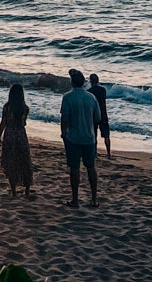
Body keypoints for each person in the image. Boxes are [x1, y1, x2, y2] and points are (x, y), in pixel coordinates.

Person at [59, 68, 101, 207]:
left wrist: (64, 133)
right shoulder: (91, 97)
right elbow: (97, 118)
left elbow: (65, 118)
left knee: (74, 168)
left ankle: (75, 199)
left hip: (74, 137)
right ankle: (94, 198)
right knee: (91, 167)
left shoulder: (68, 97)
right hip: (89, 137)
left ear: (72, 82)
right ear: (83, 82)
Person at [0, 84, 34, 196]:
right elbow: (24, 123)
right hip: (21, 135)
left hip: (10, 135)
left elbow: (3, 122)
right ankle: (27, 189)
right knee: (24, 162)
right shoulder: (25, 108)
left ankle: (13, 191)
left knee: (11, 162)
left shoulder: (7, 107)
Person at [88, 73, 113, 159]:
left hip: (94, 114)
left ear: (90, 81)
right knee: (106, 135)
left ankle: (94, 152)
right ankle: (109, 153)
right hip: (103, 113)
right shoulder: (103, 90)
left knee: (94, 134)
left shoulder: (89, 91)